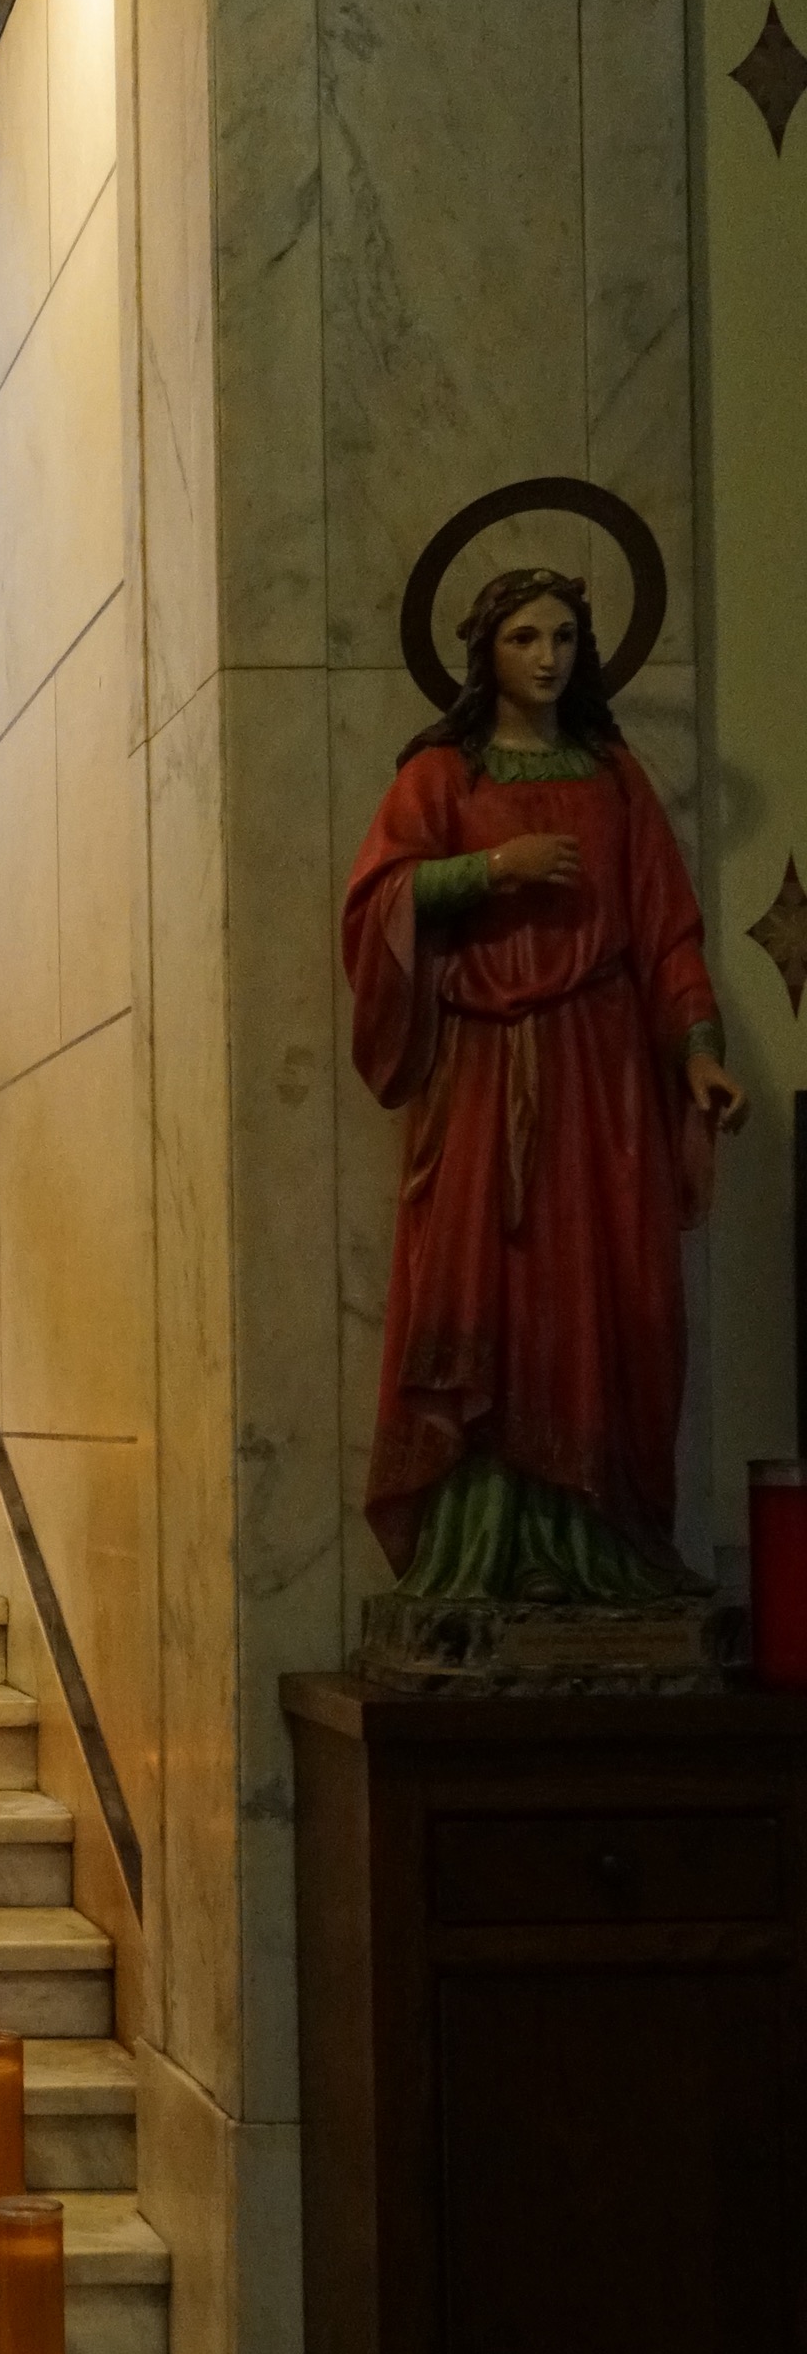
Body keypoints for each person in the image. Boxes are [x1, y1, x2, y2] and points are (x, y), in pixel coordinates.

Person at [341, 567, 744, 1606]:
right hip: (482, 1073)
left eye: (562, 637)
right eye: (523, 637)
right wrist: (492, 869)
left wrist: (695, 1049)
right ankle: (474, 1551)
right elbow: (374, 904)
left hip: (601, 1075)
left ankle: (602, 1548)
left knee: (609, 1297)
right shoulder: (442, 776)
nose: (545, 657)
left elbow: (666, 933)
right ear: (485, 652)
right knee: (479, 1287)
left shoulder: (615, 778)